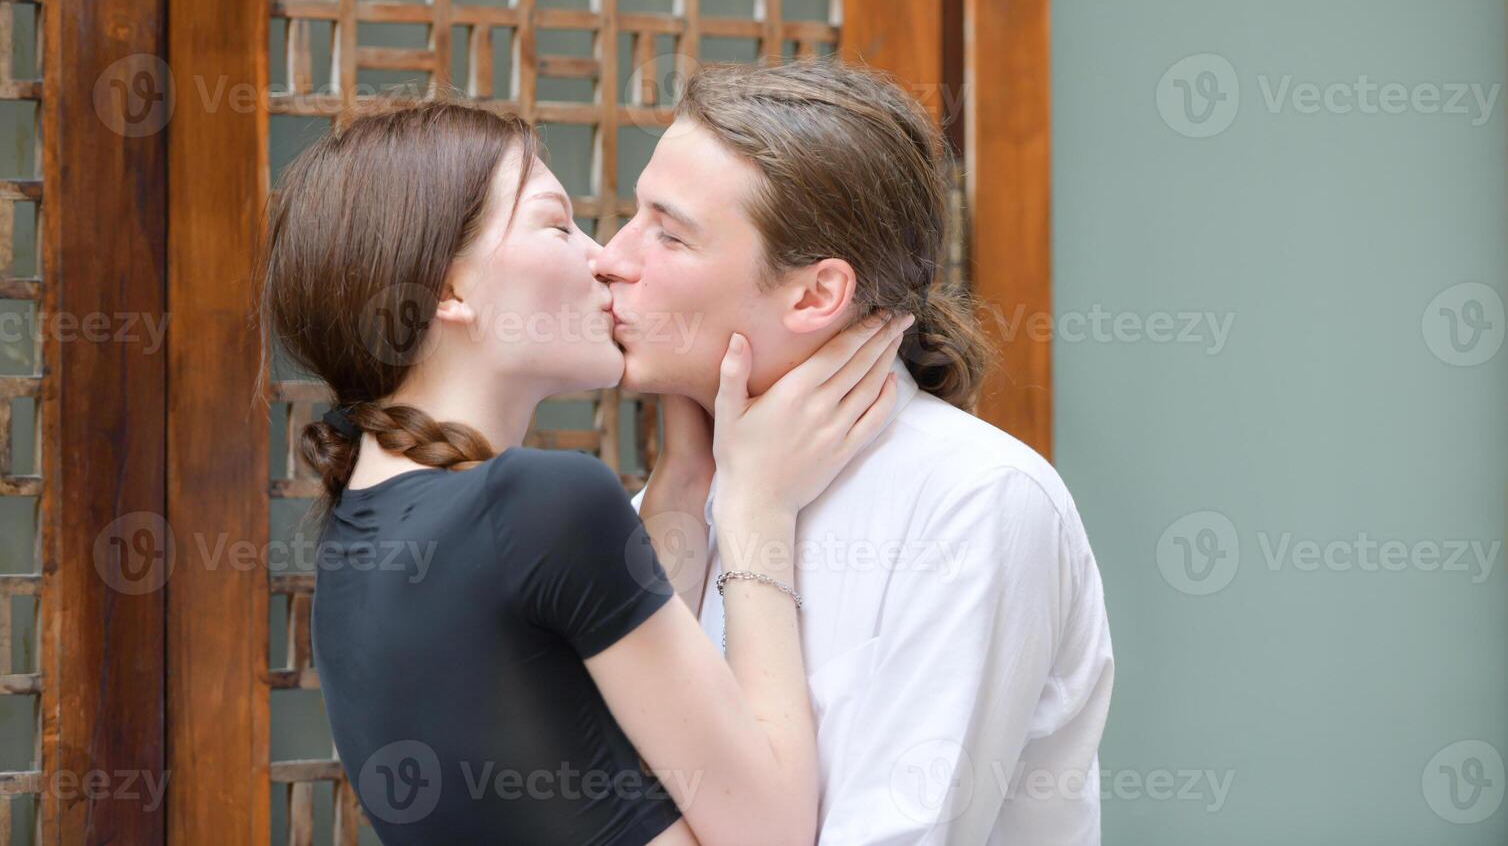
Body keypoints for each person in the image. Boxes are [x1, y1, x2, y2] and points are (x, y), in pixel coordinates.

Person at [254, 99, 909, 845]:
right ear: (448, 292)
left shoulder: (356, 531)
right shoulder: (541, 504)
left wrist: (685, 478)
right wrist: (757, 508)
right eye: (557, 224)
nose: (603, 257)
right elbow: (771, 834)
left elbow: (593, 728)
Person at [597, 59, 1116, 844]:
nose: (611, 257)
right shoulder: (663, 509)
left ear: (815, 295)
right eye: (634, 217)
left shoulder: (975, 502)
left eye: (669, 235)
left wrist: (751, 515)